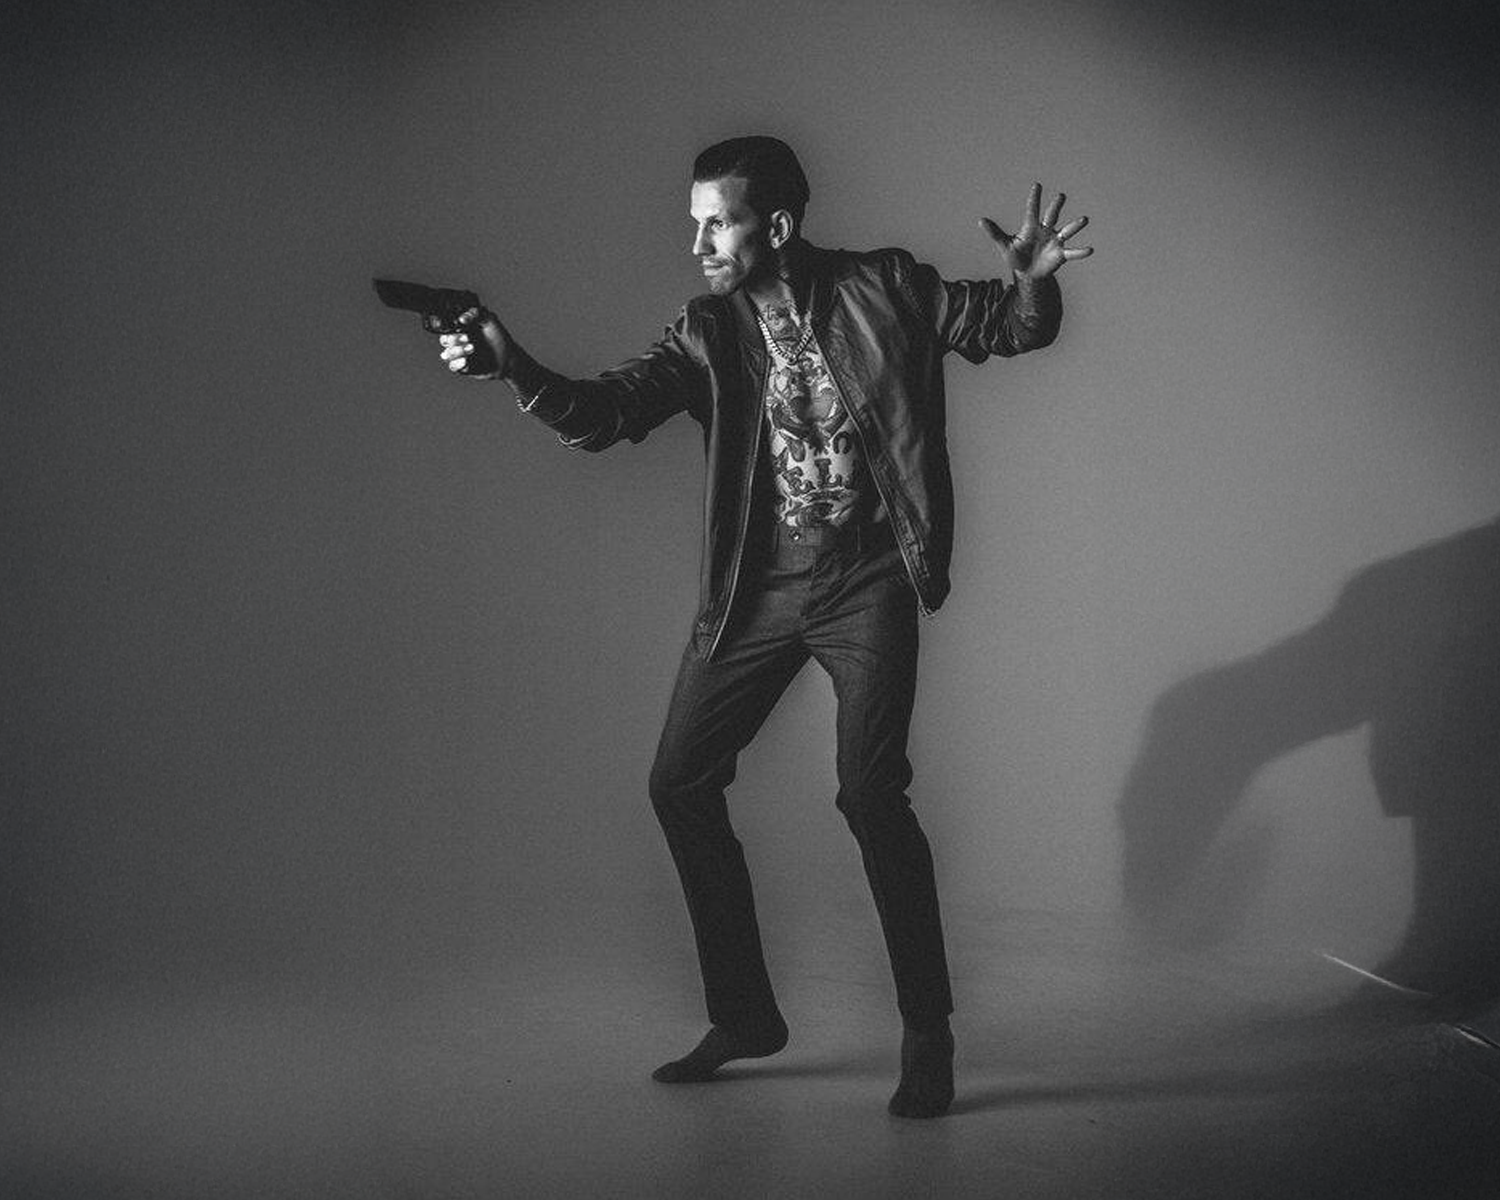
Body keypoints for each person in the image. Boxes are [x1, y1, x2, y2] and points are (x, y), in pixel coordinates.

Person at [436, 136, 1091, 1118]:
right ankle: (746, 1016)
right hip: (759, 597)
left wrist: (1033, 282)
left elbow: (1008, 325)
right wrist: (510, 366)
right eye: (695, 218)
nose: (696, 237)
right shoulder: (707, 332)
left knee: (871, 795)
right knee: (678, 783)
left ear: (776, 226)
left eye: (717, 219)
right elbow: (607, 414)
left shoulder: (887, 286)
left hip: (868, 586)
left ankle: (926, 1032)